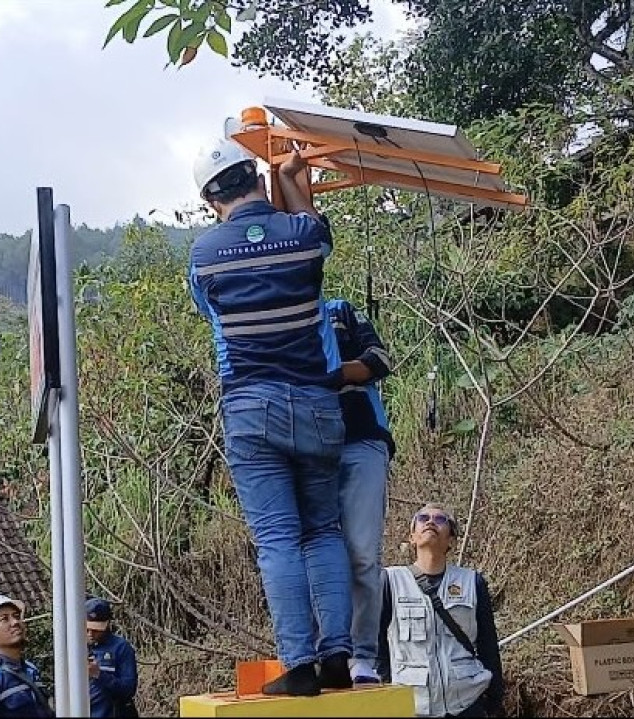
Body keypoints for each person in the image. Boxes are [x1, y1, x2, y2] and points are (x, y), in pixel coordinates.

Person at [188, 137, 354, 696]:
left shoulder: (204, 254)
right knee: (323, 531)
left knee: (278, 538)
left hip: (251, 406)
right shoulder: (304, 237)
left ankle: (299, 665)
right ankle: (338, 657)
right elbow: (311, 225)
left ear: (211, 200)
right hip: (316, 402)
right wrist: (291, 177)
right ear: (256, 177)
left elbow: (211, 311)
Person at [377, 505, 504, 717]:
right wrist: (387, 692)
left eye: (440, 519)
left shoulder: (472, 582)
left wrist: (494, 700)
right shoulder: (390, 581)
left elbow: (488, 645)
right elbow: (377, 646)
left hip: (467, 704)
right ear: (412, 538)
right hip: (412, 706)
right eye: (423, 517)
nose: (430, 522)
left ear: (451, 541)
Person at [325, 297, 394, 685]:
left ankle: (363, 654)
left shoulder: (339, 310)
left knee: (363, 553)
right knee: (316, 554)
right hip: (306, 446)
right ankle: (326, 651)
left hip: (363, 438)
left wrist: (330, 374)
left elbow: (379, 359)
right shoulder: (276, 314)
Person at [85, 597, 139, 718]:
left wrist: (99, 675)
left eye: (96, 630)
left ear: (107, 624)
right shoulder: (75, 649)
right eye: (87, 628)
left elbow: (128, 690)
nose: (90, 634)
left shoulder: (121, 648)